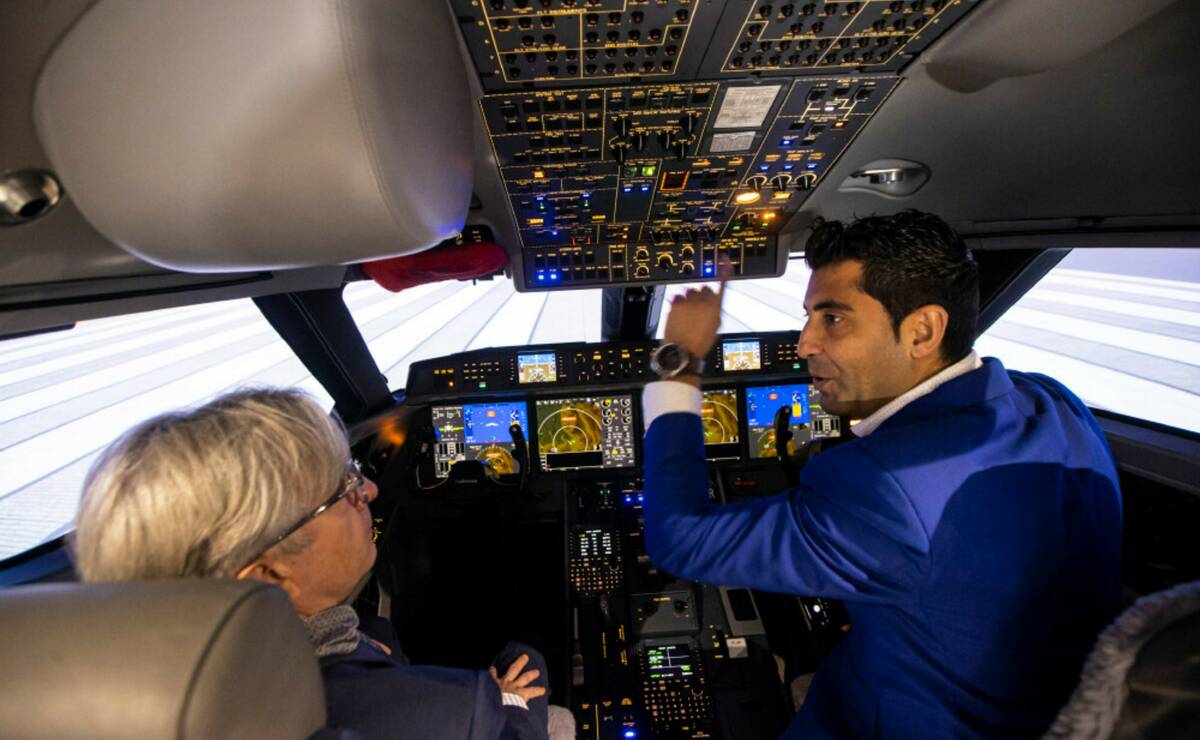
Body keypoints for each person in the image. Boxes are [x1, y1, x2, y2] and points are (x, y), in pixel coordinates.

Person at [641, 210, 1122, 737]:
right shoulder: (1052, 400)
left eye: (833, 318)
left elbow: (680, 539)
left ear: (923, 330)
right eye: (809, 317)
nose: (804, 344)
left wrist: (682, 365)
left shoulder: (883, 482)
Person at [73, 388, 550, 740]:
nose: (370, 491)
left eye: (354, 472)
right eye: (344, 490)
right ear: (265, 576)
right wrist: (507, 705)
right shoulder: (446, 716)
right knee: (529, 664)